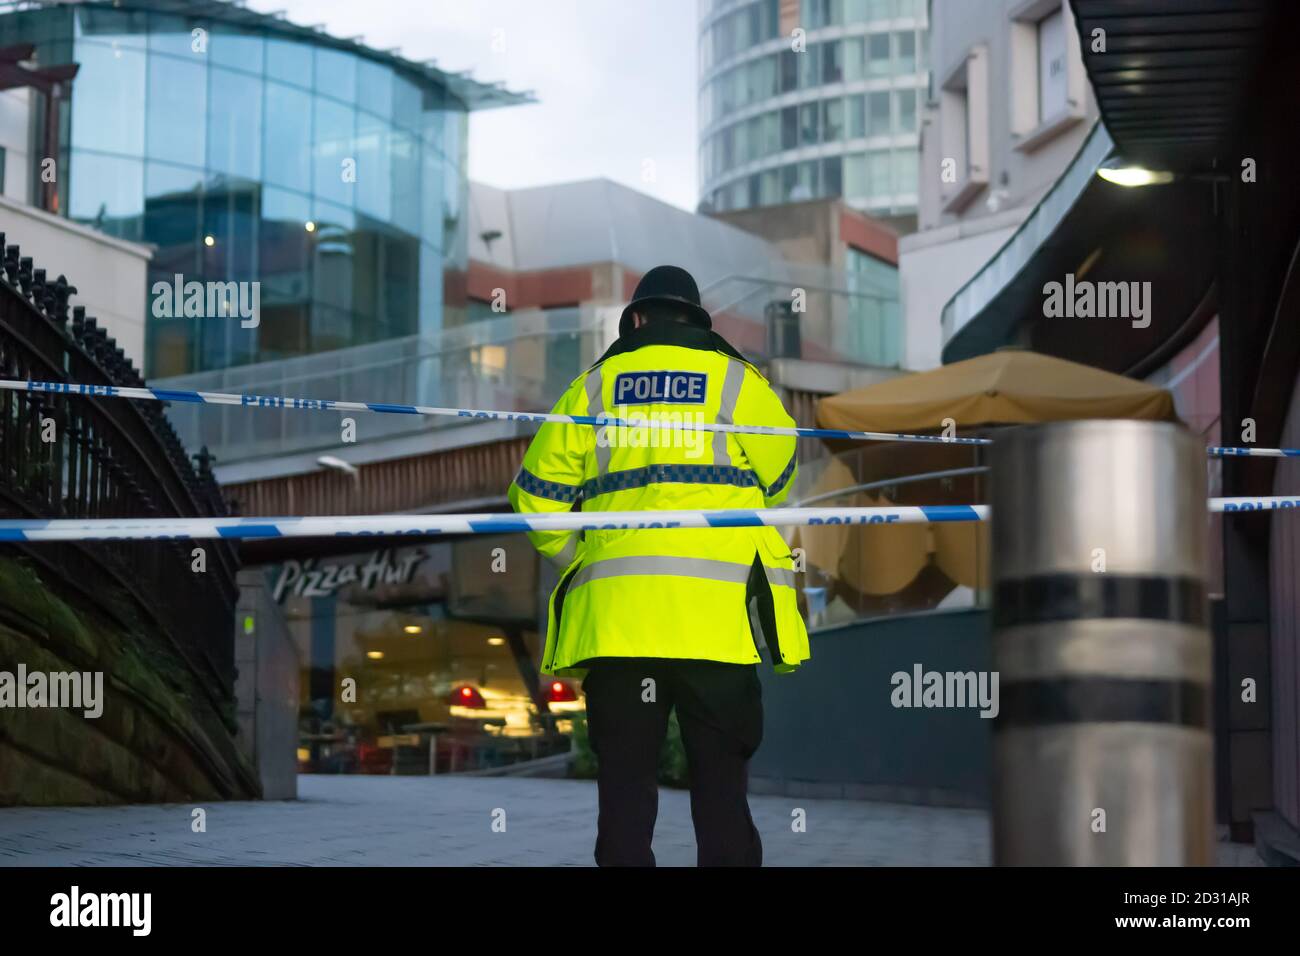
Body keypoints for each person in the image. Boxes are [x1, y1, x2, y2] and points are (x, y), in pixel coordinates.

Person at [508, 264, 809, 866]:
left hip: (621, 631)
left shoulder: (592, 388)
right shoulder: (737, 381)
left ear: (637, 320)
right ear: (697, 319)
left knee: (624, 799)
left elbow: (534, 500)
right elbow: (779, 478)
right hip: (715, 629)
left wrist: (588, 557)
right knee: (722, 796)